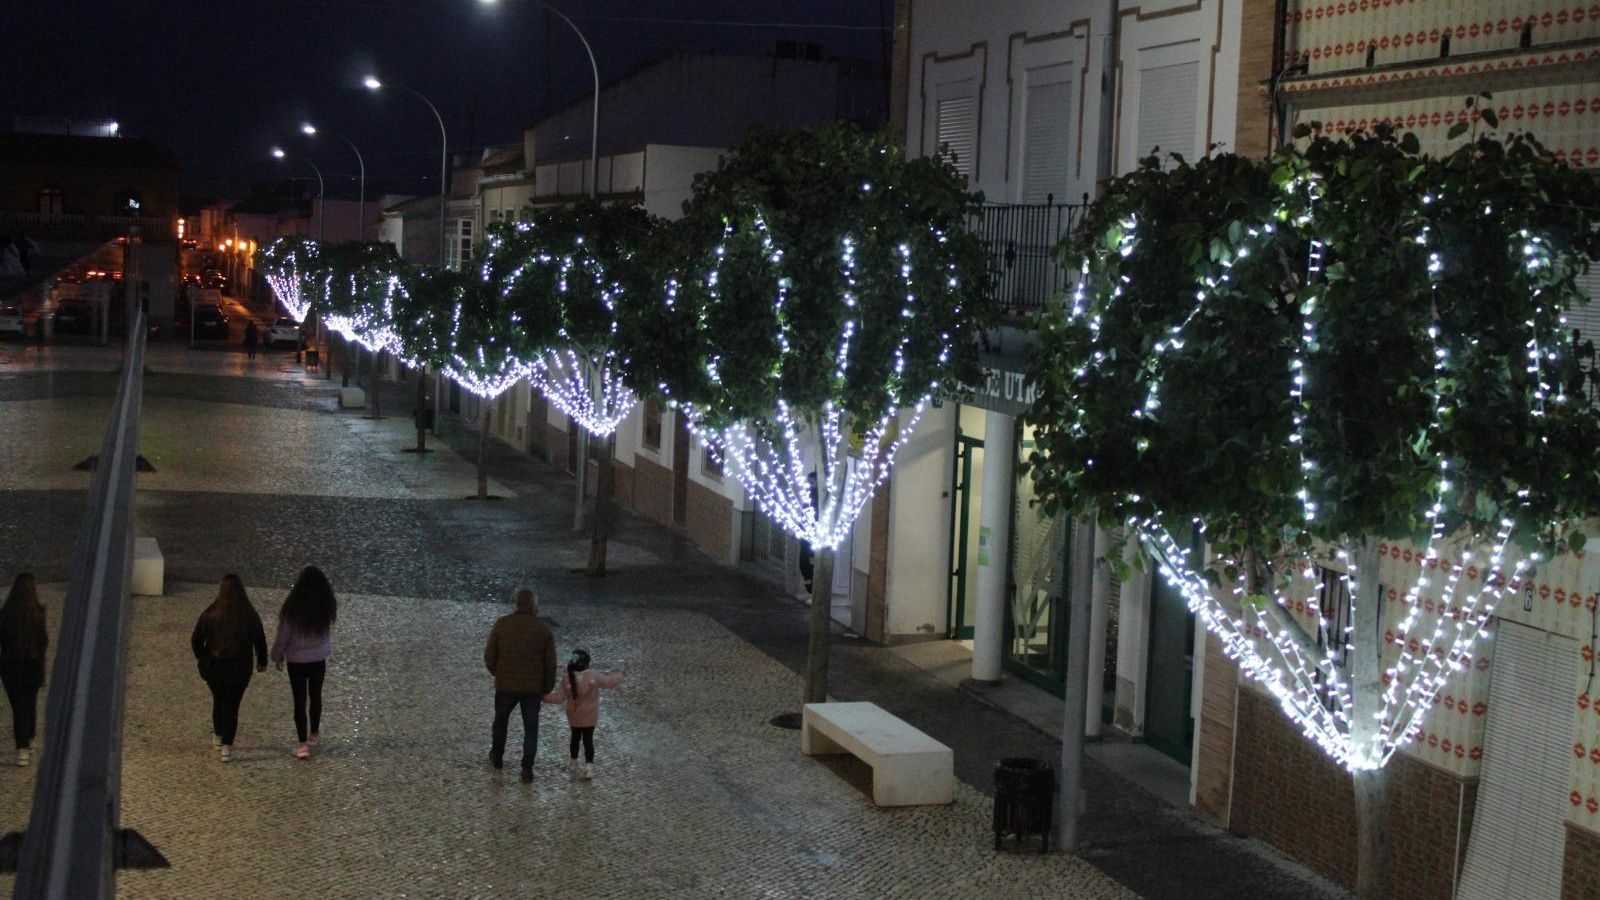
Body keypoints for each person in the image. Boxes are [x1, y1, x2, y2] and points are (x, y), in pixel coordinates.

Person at [191, 574, 268, 762]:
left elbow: (196, 639)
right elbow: (260, 639)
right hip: (240, 668)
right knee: (233, 705)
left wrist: (202, 656)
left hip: (214, 667)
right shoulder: (249, 614)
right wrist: (262, 661)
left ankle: (218, 735)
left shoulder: (210, 613)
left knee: (219, 700)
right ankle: (227, 746)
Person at [483, 587, 556, 783]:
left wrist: (498, 673)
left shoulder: (502, 625)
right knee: (531, 728)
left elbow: (489, 655)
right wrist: (546, 688)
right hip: (532, 690)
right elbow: (551, 665)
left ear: (516, 603)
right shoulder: (544, 629)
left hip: (506, 686)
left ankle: (497, 757)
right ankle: (526, 769)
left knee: (500, 722)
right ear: (534, 605)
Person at [270, 565, 336, 760]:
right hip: (318, 659)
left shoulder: (292, 607)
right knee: (316, 695)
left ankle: (302, 745)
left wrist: (277, 655)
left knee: (299, 700)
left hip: (296, 661)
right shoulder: (326, 605)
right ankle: (314, 732)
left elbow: (283, 635)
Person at [542, 648, 626, 780]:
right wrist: (621, 674)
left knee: (574, 738)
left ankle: (573, 762)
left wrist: (542, 697)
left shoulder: (567, 678)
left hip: (574, 715)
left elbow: (559, 697)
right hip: (590, 715)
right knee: (588, 740)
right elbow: (609, 682)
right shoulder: (594, 676)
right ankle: (588, 767)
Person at [0, 574, 48, 767]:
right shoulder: (38, 613)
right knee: (30, 703)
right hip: (33, 665)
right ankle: (30, 738)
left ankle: (22, 748)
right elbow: (43, 641)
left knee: (18, 707)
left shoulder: (5, 615)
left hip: (11, 667)